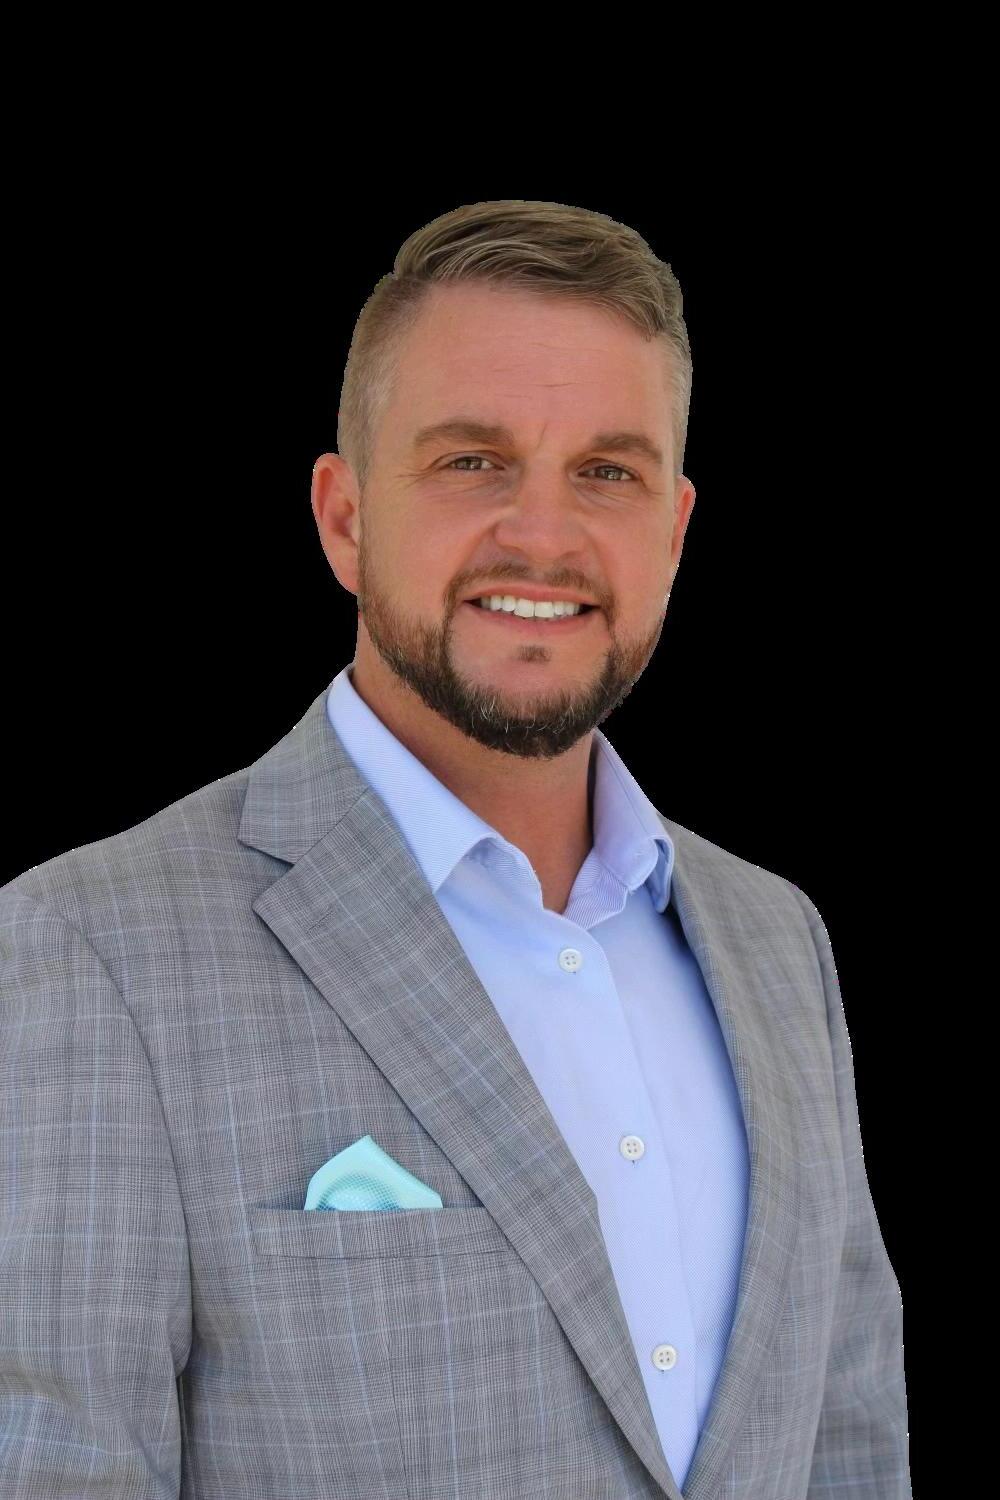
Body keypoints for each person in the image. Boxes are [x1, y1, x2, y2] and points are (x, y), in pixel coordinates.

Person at [0, 199, 911, 1499]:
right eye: (474, 460)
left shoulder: (780, 942)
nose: (542, 535)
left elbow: (851, 1443)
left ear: (673, 531)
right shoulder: (94, 947)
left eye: (607, 471)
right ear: (344, 518)